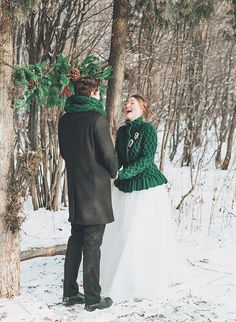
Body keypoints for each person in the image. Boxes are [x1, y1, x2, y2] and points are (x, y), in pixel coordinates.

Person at [100, 95, 175, 301]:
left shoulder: (148, 130)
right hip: (125, 186)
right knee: (121, 233)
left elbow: (147, 159)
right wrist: (109, 168)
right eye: (126, 102)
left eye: (132, 103)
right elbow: (119, 157)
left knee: (137, 233)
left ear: (143, 108)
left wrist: (123, 174)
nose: (127, 105)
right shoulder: (123, 131)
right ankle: (122, 277)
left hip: (146, 187)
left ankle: (141, 282)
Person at [58, 77, 118, 312]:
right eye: (98, 92)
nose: (99, 96)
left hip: (75, 187)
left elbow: (64, 152)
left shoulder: (65, 119)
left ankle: (70, 294)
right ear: (93, 93)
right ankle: (93, 299)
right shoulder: (96, 118)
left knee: (75, 241)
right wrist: (114, 172)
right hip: (95, 191)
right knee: (92, 243)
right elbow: (108, 155)